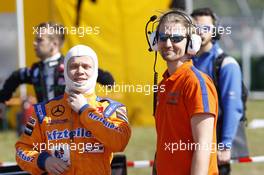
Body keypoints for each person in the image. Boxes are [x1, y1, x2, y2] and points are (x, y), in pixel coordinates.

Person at [15, 44, 131, 175]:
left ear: (95, 71)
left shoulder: (111, 109)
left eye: (86, 66)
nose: (80, 71)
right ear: (65, 71)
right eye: (74, 66)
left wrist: (85, 110)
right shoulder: (42, 111)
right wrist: (43, 160)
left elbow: (120, 142)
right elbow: (22, 150)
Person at [151, 10, 219, 175]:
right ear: (154, 41)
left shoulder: (195, 83)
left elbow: (203, 146)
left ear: (191, 43)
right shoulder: (163, 84)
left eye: (176, 39)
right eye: (163, 37)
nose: (168, 44)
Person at [0, 22, 115, 103]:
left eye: (39, 40)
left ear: (54, 44)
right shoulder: (35, 70)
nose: (34, 44)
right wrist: (4, 95)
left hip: (69, 123)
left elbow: (94, 73)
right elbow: (16, 76)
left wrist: (106, 79)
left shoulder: (69, 65)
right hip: (45, 123)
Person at [191, 8, 244, 175]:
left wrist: (225, 146)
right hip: (188, 144)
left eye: (205, 27)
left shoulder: (226, 64)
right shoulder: (186, 61)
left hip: (215, 148)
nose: (200, 32)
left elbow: (232, 108)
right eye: (195, 27)